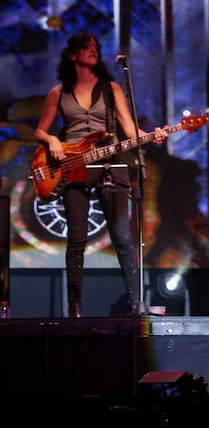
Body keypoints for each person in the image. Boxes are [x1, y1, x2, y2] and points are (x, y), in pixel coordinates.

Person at [33, 31, 169, 318]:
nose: (93, 51)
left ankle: (135, 303)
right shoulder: (58, 93)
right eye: (86, 48)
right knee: (77, 239)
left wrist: (153, 135)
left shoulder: (112, 89)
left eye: (95, 47)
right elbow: (40, 131)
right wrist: (52, 140)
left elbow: (131, 131)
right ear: (73, 55)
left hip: (110, 165)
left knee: (122, 237)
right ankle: (75, 308)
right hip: (71, 168)